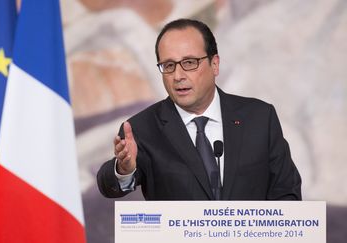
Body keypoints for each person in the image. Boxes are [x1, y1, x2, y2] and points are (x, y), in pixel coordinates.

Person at [96, 18, 302, 200]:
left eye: (189, 63)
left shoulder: (259, 118)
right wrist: (124, 170)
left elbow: (286, 192)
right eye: (168, 65)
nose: (178, 76)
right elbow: (108, 187)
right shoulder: (142, 129)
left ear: (214, 64)